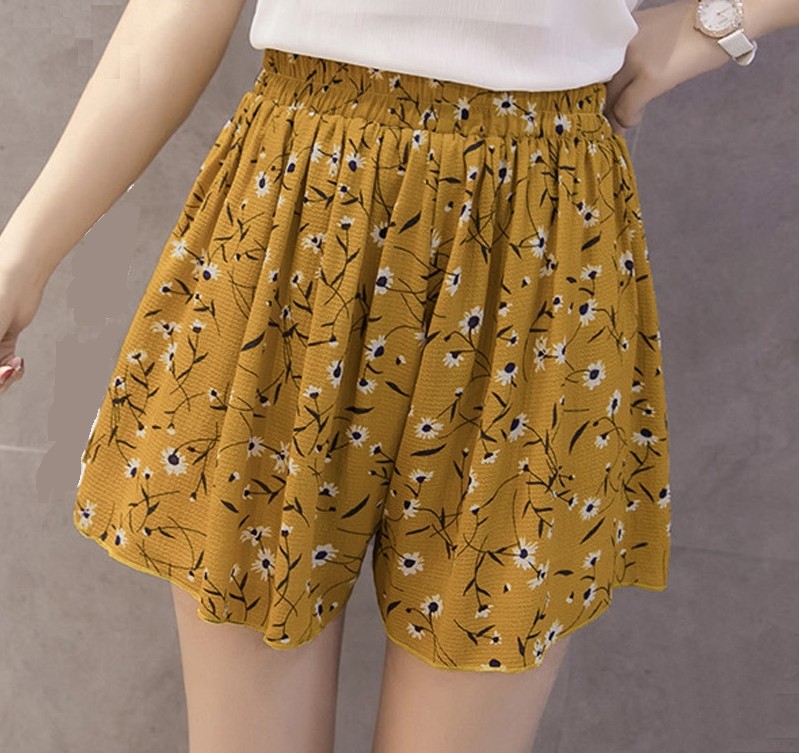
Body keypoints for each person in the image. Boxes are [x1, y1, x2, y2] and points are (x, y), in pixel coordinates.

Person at [0, 1, 796, 752]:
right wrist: (21, 258)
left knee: (486, 633)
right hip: (298, 219)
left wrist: (712, 24)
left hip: (540, 241)